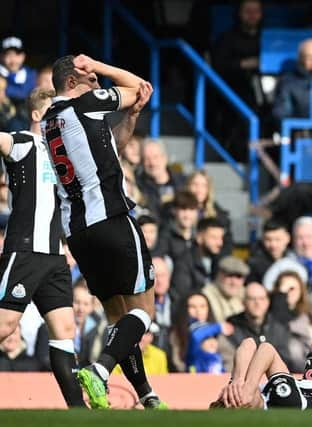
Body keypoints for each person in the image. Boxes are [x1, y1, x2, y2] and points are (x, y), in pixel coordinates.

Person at [42, 54, 164, 409]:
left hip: (79, 234)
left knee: (117, 320)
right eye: (90, 78)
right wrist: (101, 65)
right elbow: (139, 86)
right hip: (111, 219)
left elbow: (109, 148)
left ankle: (147, 395)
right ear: (71, 83)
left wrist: (133, 116)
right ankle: (99, 371)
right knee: (144, 313)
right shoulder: (86, 103)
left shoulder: (51, 122)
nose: (97, 83)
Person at [0, 88, 85, 407]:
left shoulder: (62, 155)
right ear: (37, 116)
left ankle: (79, 412)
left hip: (54, 256)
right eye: (52, 110)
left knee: (65, 330)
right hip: (24, 251)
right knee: (5, 326)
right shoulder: (24, 142)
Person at [201, 256, 249, 323]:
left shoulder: (246, 294)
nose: (234, 282)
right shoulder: (206, 295)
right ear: (219, 275)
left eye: (238, 277)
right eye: (230, 276)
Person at [247, 219, 292, 284]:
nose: (273, 245)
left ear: (288, 238)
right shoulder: (253, 264)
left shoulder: (296, 259)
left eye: (278, 239)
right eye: (268, 239)